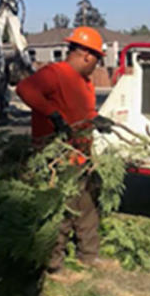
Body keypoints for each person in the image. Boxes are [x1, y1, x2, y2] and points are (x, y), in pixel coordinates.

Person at [15, 26, 113, 273]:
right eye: (97, 60)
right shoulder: (55, 73)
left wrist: (97, 120)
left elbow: (84, 111)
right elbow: (24, 90)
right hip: (55, 157)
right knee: (60, 211)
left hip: (80, 156)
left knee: (88, 206)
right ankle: (54, 266)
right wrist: (53, 115)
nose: (97, 66)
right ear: (87, 56)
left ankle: (89, 255)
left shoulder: (86, 83)